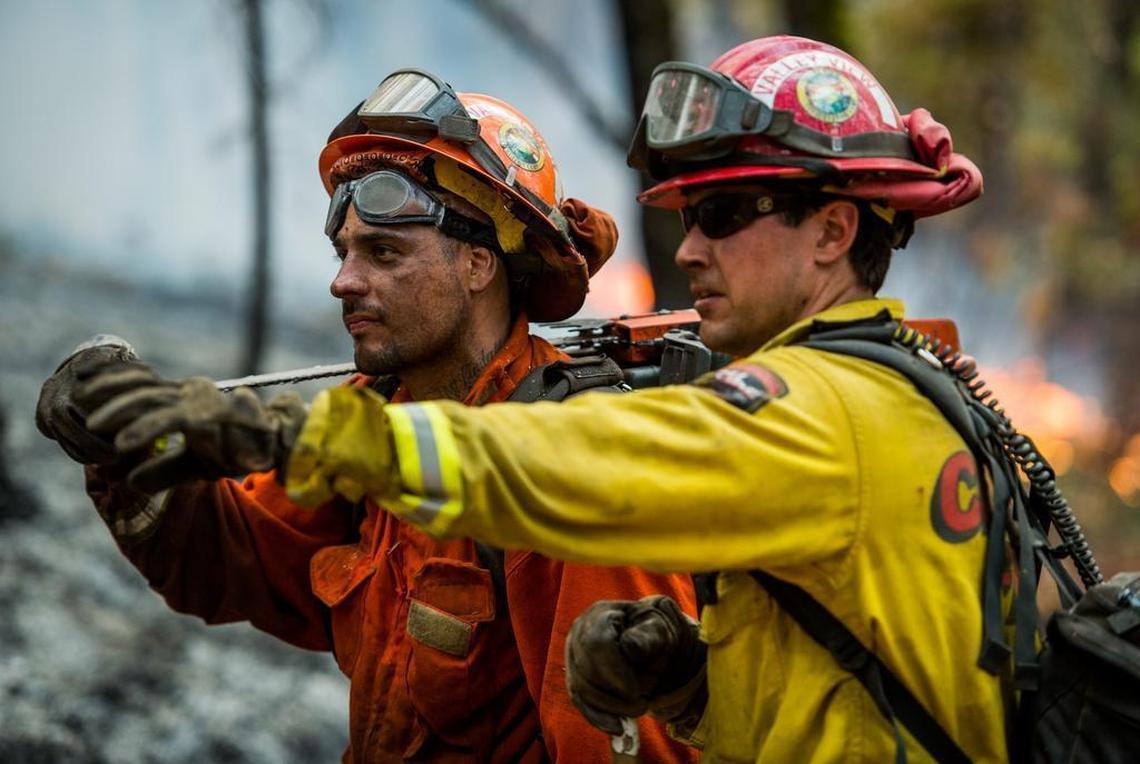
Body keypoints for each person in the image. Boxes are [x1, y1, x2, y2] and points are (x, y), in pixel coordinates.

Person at [36, 70, 698, 763]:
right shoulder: (377, 416)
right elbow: (241, 560)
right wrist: (123, 448)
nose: (343, 281)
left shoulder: (575, 470)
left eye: (383, 253)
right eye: (344, 251)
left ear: (478, 264)